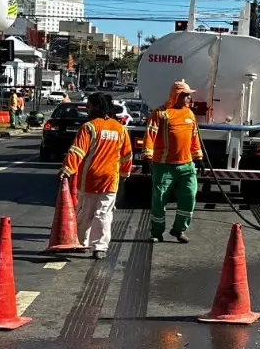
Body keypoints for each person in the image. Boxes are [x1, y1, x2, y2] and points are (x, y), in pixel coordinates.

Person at [60, 93, 132, 260]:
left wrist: (67, 169)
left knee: (85, 213)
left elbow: (77, 151)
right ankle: (100, 247)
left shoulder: (89, 127)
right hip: (110, 180)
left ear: (96, 107)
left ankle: (81, 242)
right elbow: (127, 155)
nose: (87, 109)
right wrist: (124, 174)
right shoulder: (120, 128)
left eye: (90, 106)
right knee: (104, 214)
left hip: (89, 180)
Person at [144, 80, 204, 244]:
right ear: (176, 95)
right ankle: (156, 232)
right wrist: (147, 156)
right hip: (164, 166)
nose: (188, 99)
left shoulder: (189, 114)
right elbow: (150, 134)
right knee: (159, 199)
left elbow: (194, 138)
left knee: (189, 196)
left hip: (187, 166)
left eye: (189, 96)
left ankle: (179, 230)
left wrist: (198, 158)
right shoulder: (161, 113)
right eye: (185, 95)